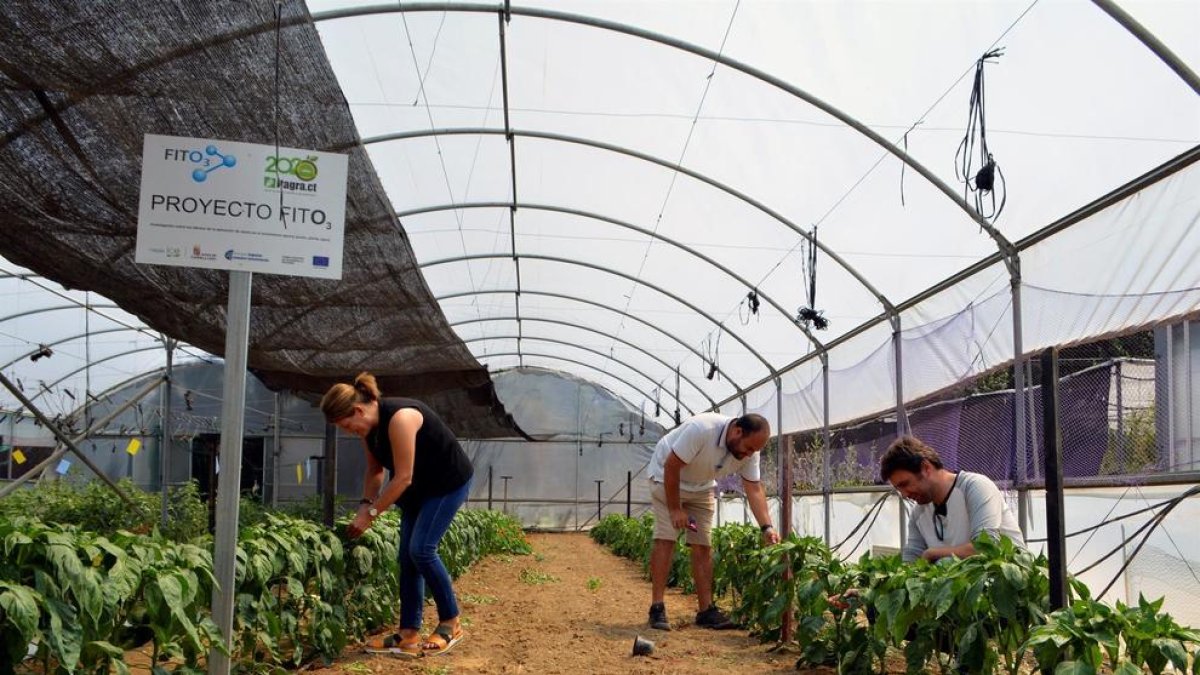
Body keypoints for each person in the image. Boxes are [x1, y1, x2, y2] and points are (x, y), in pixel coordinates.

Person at [321, 372, 474, 658]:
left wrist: (373, 514)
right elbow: (376, 471)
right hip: (417, 490)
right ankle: (408, 633)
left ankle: (451, 622)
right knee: (406, 557)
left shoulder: (402, 418)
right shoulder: (369, 430)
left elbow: (402, 477)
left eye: (347, 425)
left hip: (447, 484)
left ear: (357, 410)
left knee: (422, 550)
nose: (349, 431)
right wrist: (365, 504)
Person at [645, 412, 779, 631]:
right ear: (737, 431)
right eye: (749, 448)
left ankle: (706, 610)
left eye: (754, 451)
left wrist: (767, 527)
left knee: (703, 545)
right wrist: (675, 509)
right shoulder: (702, 429)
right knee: (666, 538)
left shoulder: (749, 452)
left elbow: (754, 488)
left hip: (701, 487)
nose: (750, 455)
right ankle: (657, 607)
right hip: (665, 477)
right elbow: (671, 466)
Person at [880, 435, 1024, 563]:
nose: (904, 495)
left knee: (945, 562)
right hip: (961, 589)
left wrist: (932, 554)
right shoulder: (919, 513)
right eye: (899, 489)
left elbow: (986, 548)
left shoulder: (975, 487)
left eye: (905, 484)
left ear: (926, 468)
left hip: (1010, 582)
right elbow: (911, 561)